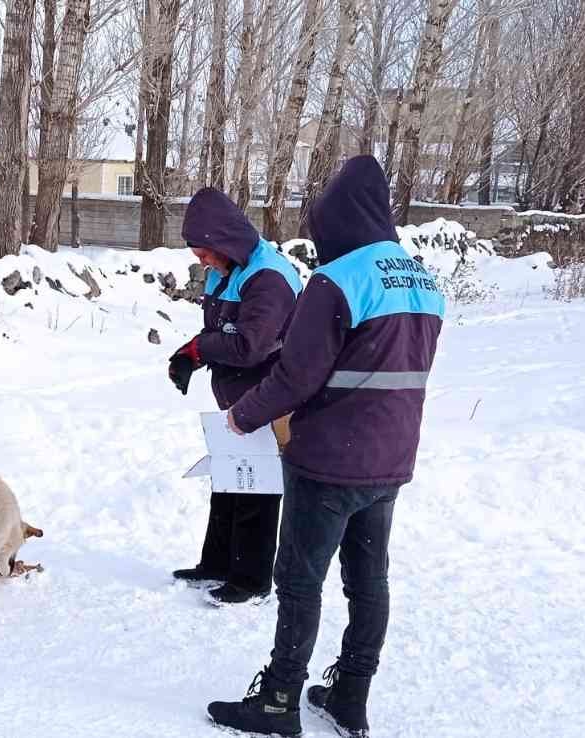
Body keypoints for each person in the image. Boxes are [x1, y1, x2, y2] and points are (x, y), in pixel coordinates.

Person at [204, 155, 445, 737]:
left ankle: (280, 700)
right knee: (369, 580)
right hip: (390, 460)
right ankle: (350, 697)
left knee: (300, 579)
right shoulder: (423, 280)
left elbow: (296, 375)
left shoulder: (337, 280)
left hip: (329, 461)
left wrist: (243, 415)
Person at [168, 187, 302, 606]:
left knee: (256, 486)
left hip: (270, 396)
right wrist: (191, 352)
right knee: (229, 479)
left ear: (225, 241)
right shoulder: (225, 271)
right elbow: (220, 331)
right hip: (237, 394)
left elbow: (250, 345)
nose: (200, 261)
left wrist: (201, 349)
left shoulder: (269, 278)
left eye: (205, 252)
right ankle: (218, 563)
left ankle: (251, 579)